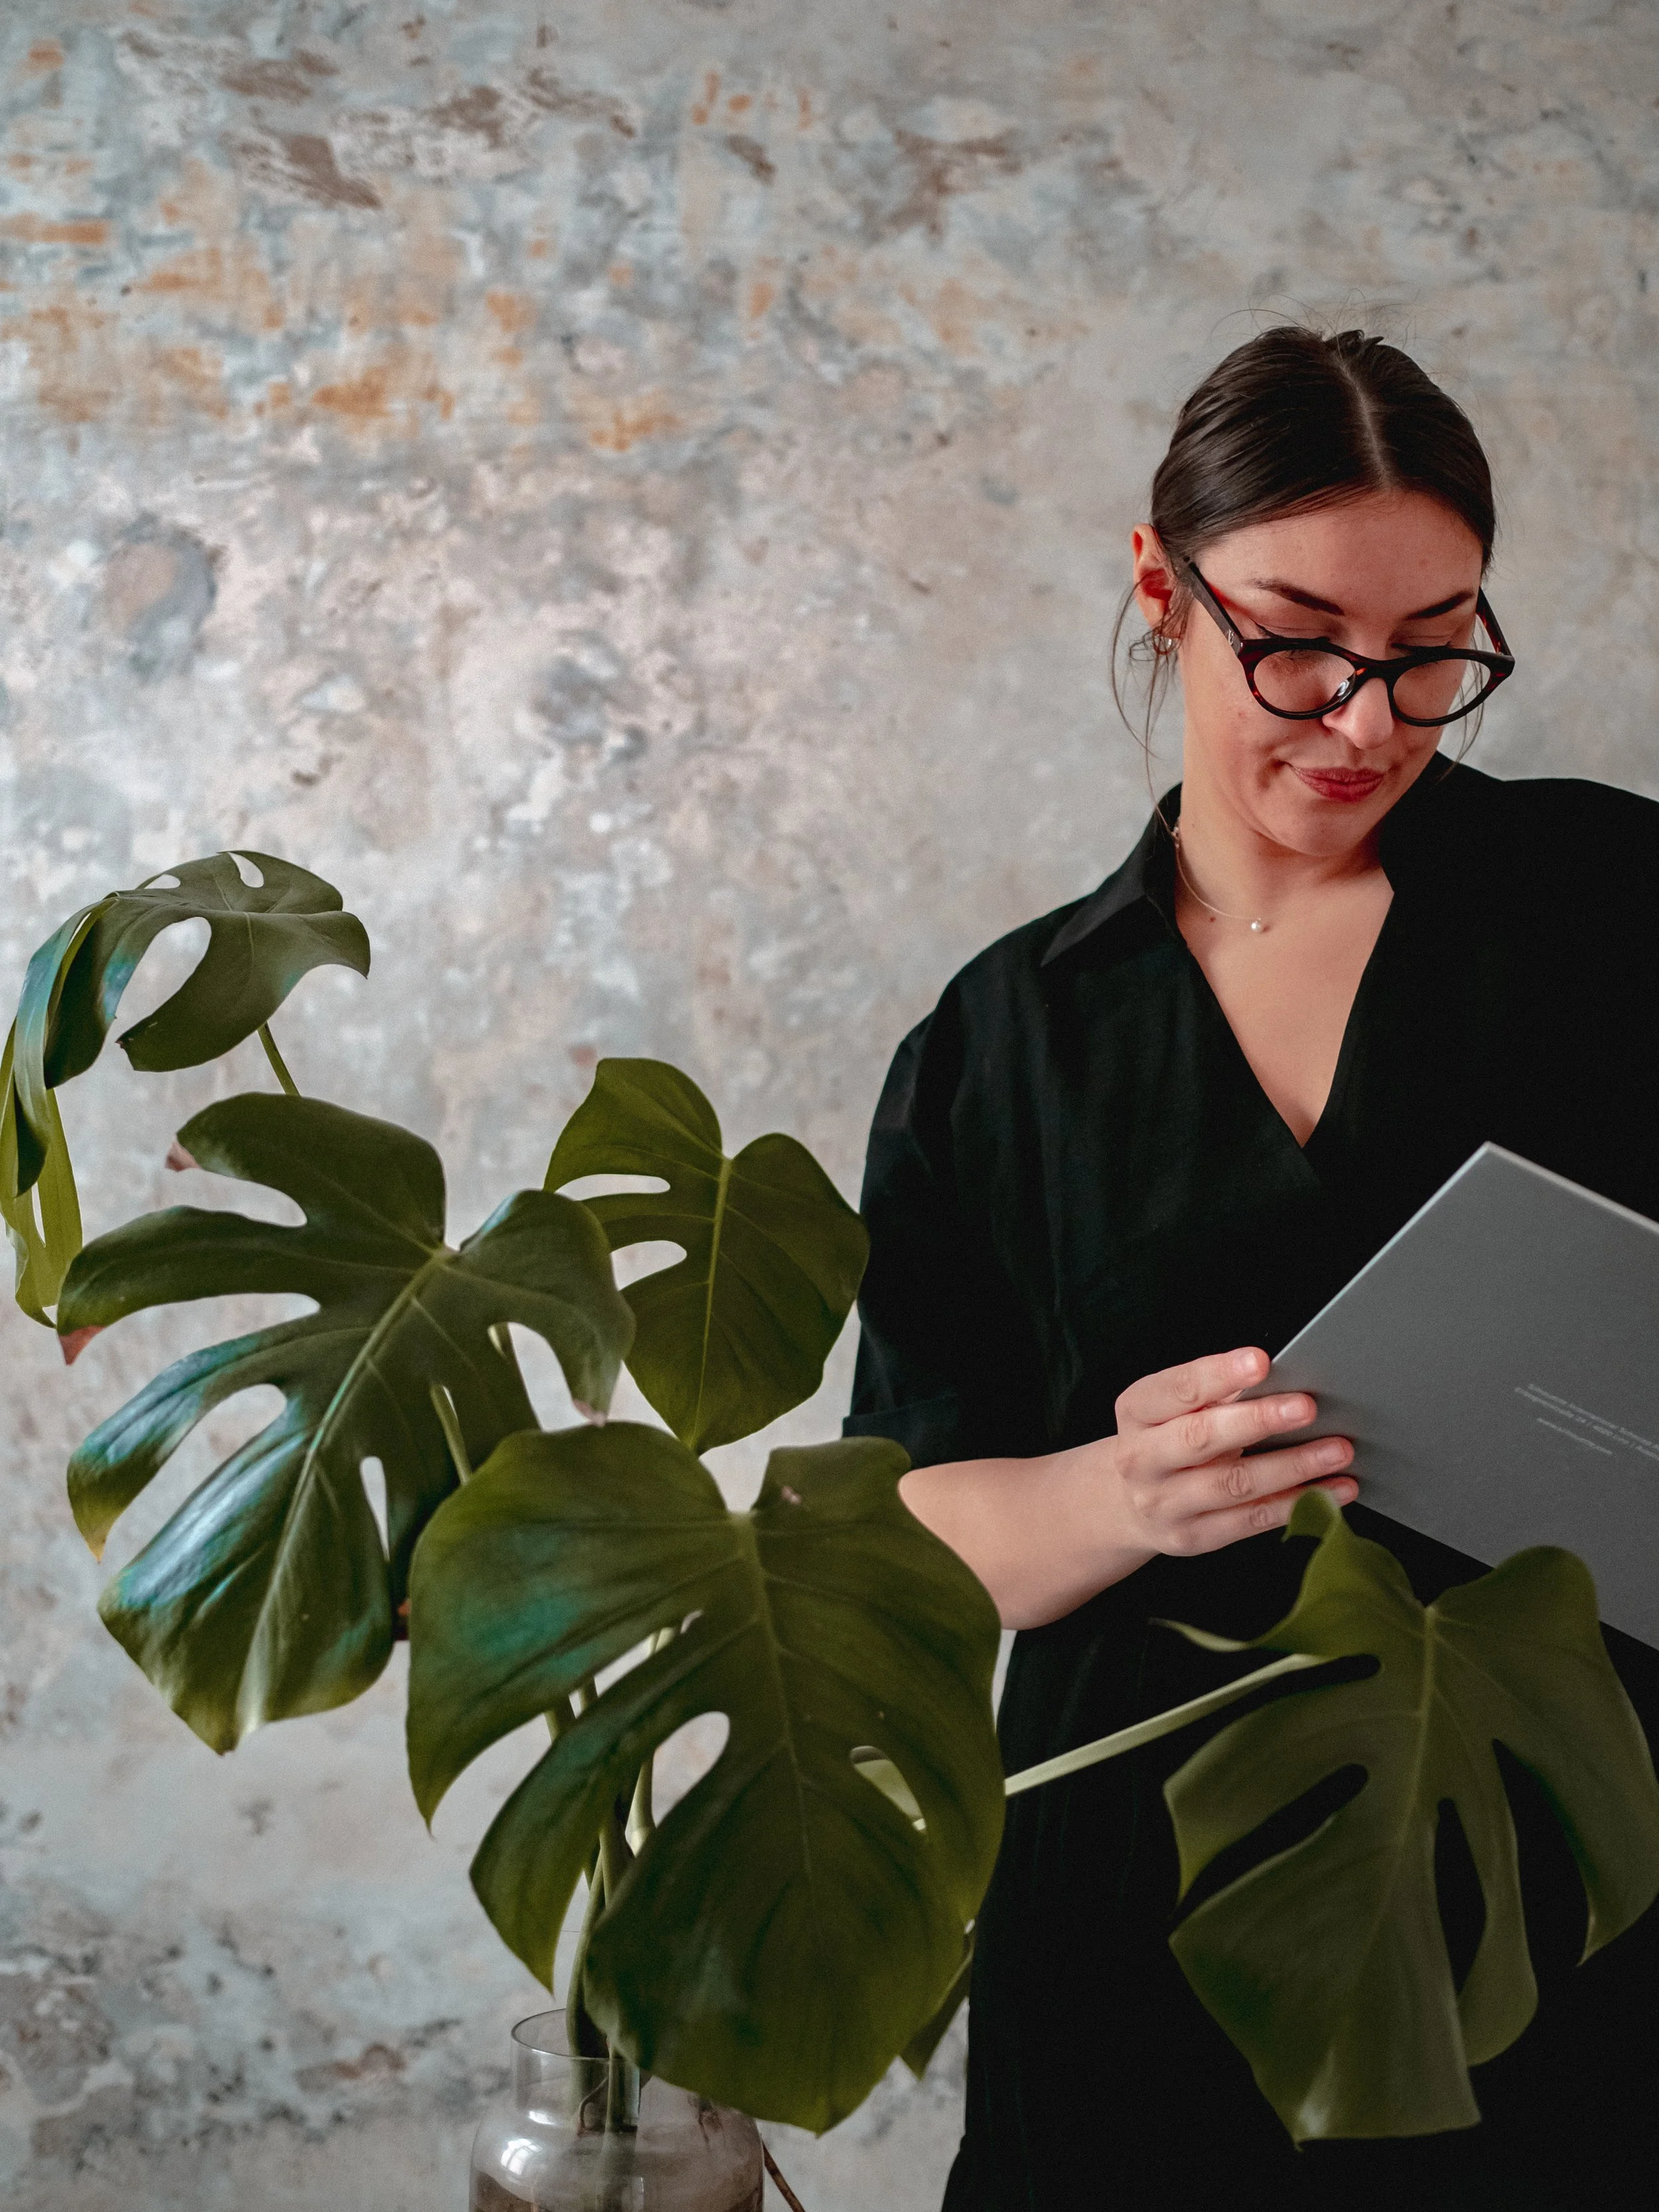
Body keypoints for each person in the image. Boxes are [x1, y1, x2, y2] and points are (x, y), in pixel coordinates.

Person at [845, 325, 1659, 2211]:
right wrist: (1119, 1485)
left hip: (1568, 1913)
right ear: (1159, 585)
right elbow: (914, 1508)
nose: (1366, 718)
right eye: (1292, 640)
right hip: (1135, 1939)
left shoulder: (1612, 913)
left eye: (1432, 648)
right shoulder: (1001, 1042)